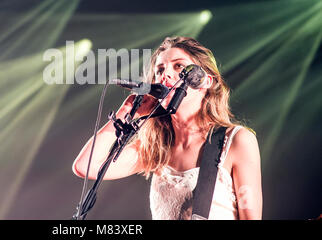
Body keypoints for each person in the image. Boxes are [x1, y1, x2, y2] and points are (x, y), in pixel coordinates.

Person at [72, 36, 262, 220]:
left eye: (178, 66)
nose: (166, 74)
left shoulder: (237, 140)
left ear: (205, 81)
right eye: (160, 69)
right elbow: (84, 166)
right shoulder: (155, 148)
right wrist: (127, 112)